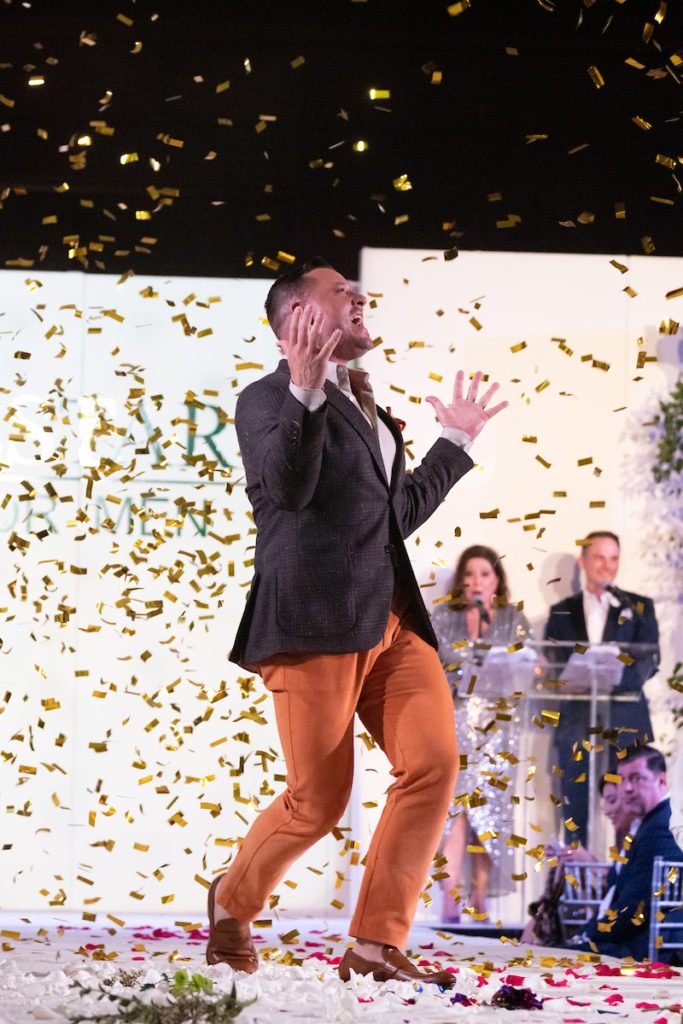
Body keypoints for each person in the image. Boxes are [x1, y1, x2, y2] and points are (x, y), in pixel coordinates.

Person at [206, 257, 507, 984]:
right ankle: (231, 901)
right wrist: (304, 391)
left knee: (433, 764)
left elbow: (395, 514)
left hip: (390, 621)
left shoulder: (368, 407)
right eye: (340, 291)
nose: (358, 296)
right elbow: (287, 490)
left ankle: (374, 942)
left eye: (355, 288)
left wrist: (455, 443)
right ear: (295, 322)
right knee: (317, 803)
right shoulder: (264, 399)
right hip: (310, 623)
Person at [431, 545, 532, 918]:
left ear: (497, 581)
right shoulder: (443, 616)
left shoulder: (513, 618)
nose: (476, 581)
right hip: (456, 722)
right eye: (469, 574)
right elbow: (431, 666)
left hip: (500, 725)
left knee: (490, 811)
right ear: (460, 580)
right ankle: (448, 897)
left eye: (484, 574)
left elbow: (529, 668)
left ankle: (481, 897)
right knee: (453, 808)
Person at [544, 531, 660, 846]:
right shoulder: (561, 612)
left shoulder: (638, 606)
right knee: (574, 811)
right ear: (583, 561)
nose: (607, 566)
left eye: (614, 558)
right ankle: (575, 889)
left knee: (630, 811)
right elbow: (554, 667)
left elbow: (651, 660)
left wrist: (612, 677)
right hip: (576, 722)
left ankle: (627, 887)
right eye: (599, 558)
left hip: (626, 721)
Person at [573, 745, 683, 961]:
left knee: (552, 957)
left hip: (651, 948)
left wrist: (589, 934)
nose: (627, 788)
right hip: (634, 942)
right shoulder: (647, 824)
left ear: (661, 781)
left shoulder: (663, 825)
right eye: (622, 780)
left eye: (636, 778)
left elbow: (636, 907)